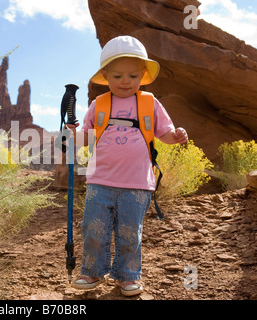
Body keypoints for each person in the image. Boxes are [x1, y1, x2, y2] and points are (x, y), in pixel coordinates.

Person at [65, 35, 188, 296]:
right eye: (118, 75)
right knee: (94, 227)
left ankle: (127, 276)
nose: (125, 81)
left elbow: (163, 133)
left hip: (137, 183)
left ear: (143, 75)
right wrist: (72, 133)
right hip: (100, 180)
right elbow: (86, 136)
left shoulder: (149, 103)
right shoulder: (99, 104)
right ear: (106, 75)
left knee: (130, 231)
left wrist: (175, 136)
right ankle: (93, 271)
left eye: (132, 76)